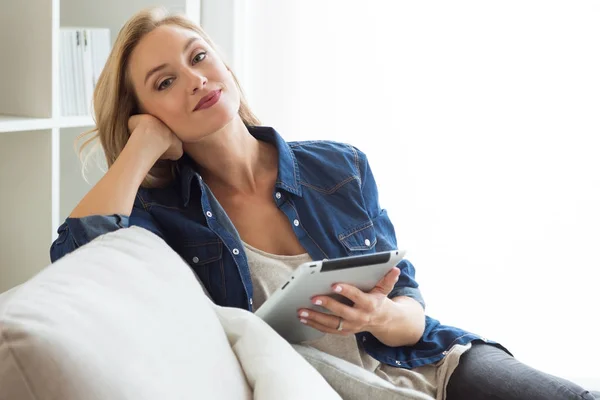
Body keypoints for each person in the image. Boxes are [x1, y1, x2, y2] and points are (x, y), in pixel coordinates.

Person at [50, 7, 598, 400]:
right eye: (165, 81)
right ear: (144, 113)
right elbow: (74, 258)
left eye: (200, 58)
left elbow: (412, 314)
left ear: (225, 66)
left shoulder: (339, 166)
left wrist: (381, 314)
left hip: (435, 363)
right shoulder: (161, 217)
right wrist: (141, 146)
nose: (195, 80)